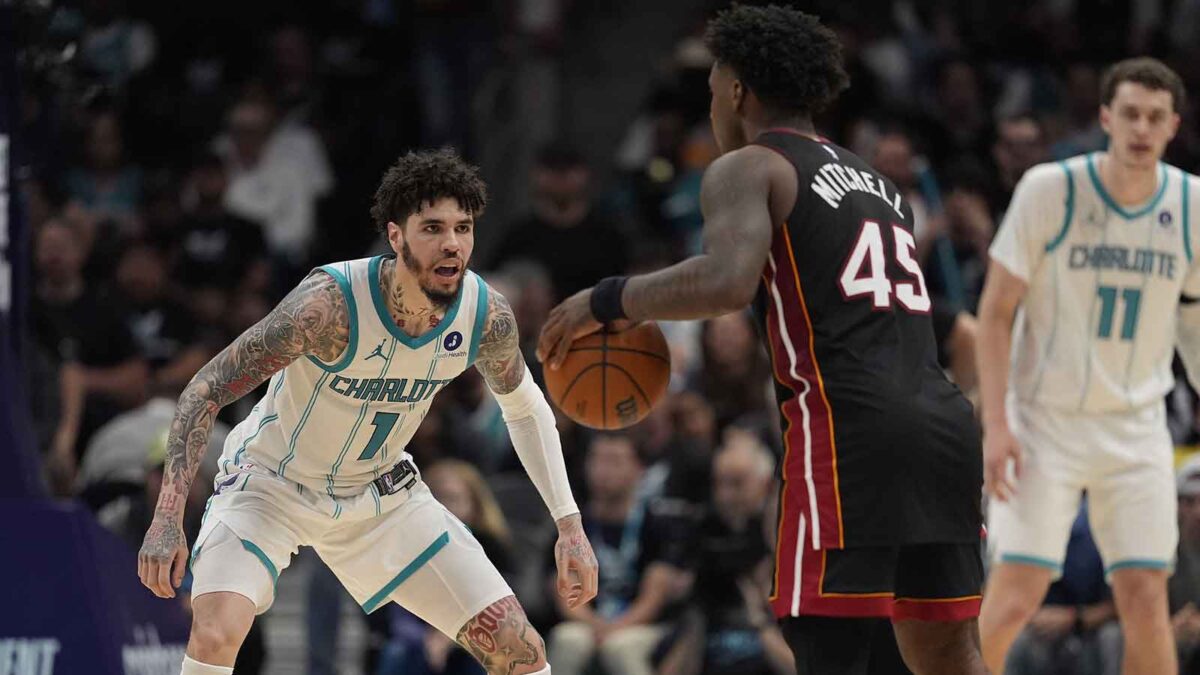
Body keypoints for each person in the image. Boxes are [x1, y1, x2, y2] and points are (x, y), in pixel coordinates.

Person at [538, 6, 985, 674]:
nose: (711, 103)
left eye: (713, 86)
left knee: (827, 651)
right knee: (948, 657)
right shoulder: (877, 184)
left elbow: (726, 281)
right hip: (945, 429)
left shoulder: (752, 165)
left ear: (738, 89)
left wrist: (607, 299)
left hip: (851, 432)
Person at [137, 149, 599, 675]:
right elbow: (205, 389)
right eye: (433, 228)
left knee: (520, 649)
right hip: (270, 485)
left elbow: (526, 409)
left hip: (379, 491)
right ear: (396, 236)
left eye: (463, 227)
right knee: (216, 632)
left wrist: (570, 525)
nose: (452, 243)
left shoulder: (485, 315)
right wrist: (167, 518)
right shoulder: (327, 306)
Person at [977, 57, 1198, 675]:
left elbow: (1195, 320)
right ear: (1105, 117)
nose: (1141, 128)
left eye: (1154, 117)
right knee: (1015, 594)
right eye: (1130, 113)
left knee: (1146, 598)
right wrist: (996, 425)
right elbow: (994, 313)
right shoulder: (1049, 189)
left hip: (1136, 423)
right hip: (1043, 420)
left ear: (1173, 126)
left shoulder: (1191, 204)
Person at [546, 433, 687, 675]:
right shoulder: (570, 526)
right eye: (597, 460)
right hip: (587, 621)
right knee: (568, 639)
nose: (603, 471)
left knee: (620, 648)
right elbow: (566, 596)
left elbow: (653, 599)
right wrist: (596, 626)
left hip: (643, 625)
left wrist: (615, 629)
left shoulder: (657, 526)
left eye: (614, 461)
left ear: (640, 469)